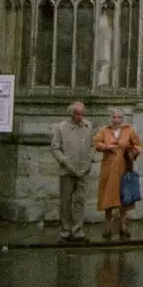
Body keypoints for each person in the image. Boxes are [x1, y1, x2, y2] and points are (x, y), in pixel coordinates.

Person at [93, 107, 142, 242]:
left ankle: (123, 226)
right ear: (111, 118)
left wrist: (132, 151)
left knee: (124, 197)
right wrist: (106, 147)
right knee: (108, 197)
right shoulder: (104, 130)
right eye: (114, 117)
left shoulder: (129, 130)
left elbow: (138, 146)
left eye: (119, 118)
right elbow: (96, 143)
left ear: (123, 118)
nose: (116, 120)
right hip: (108, 169)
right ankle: (108, 226)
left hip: (124, 168)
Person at [51, 100, 94, 243]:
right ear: (71, 113)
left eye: (82, 114)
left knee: (80, 201)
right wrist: (64, 161)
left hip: (83, 170)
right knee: (65, 201)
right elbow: (55, 148)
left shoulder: (88, 126)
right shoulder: (61, 127)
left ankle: (78, 231)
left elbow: (93, 146)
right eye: (76, 114)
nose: (79, 117)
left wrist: (89, 161)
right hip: (67, 170)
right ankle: (65, 230)